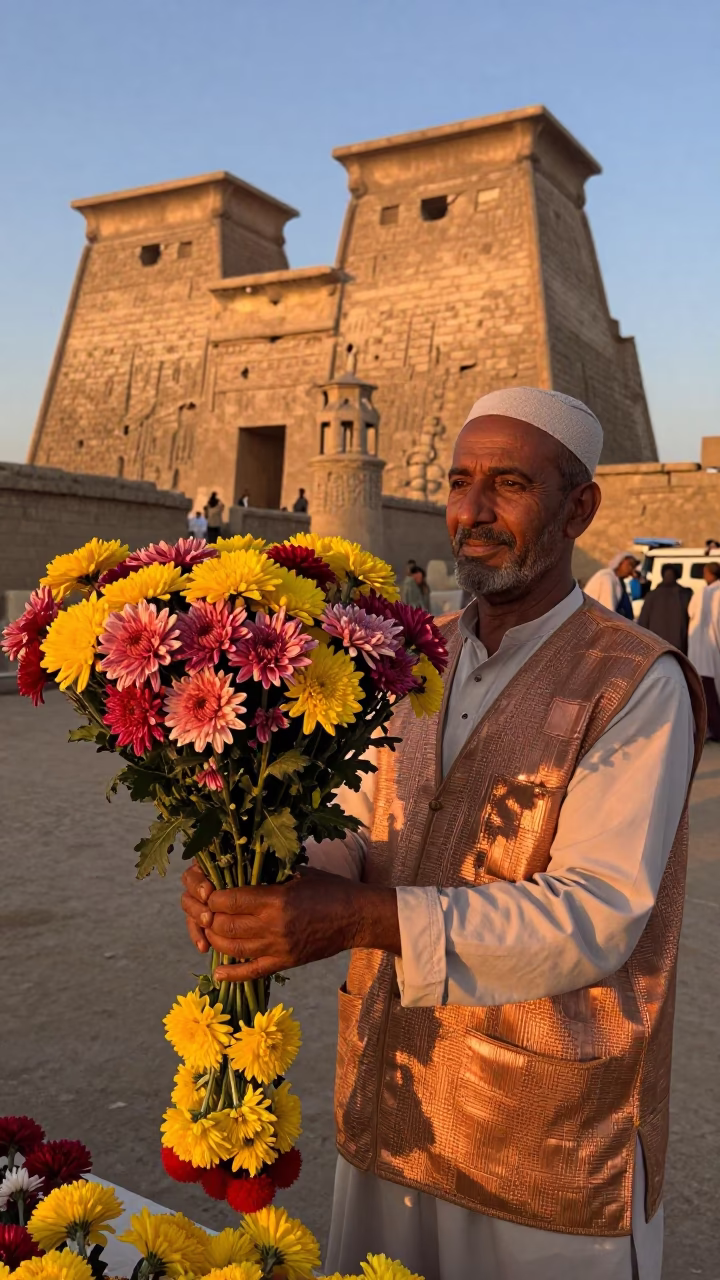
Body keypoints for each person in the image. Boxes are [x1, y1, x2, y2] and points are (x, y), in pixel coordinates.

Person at [181, 386, 704, 1280]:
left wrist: (355, 920)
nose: (473, 510)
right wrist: (262, 879)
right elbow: (355, 829)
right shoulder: (408, 658)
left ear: (579, 507)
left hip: (544, 1138)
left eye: (509, 483)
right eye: (461, 481)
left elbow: (595, 915)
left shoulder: (636, 683)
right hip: (394, 1099)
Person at [689, 562, 720, 740]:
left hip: (703, 651)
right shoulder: (704, 592)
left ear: (708, 574)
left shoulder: (703, 592)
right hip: (708, 650)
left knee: (707, 692)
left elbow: (691, 612)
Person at [638, 564, 692, 653]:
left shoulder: (652, 595)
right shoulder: (685, 595)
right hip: (678, 644)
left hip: (656, 645)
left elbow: (643, 622)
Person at [584, 551, 640, 617]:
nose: (631, 570)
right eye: (630, 565)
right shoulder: (607, 578)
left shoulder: (618, 580)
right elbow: (607, 611)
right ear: (620, 562)